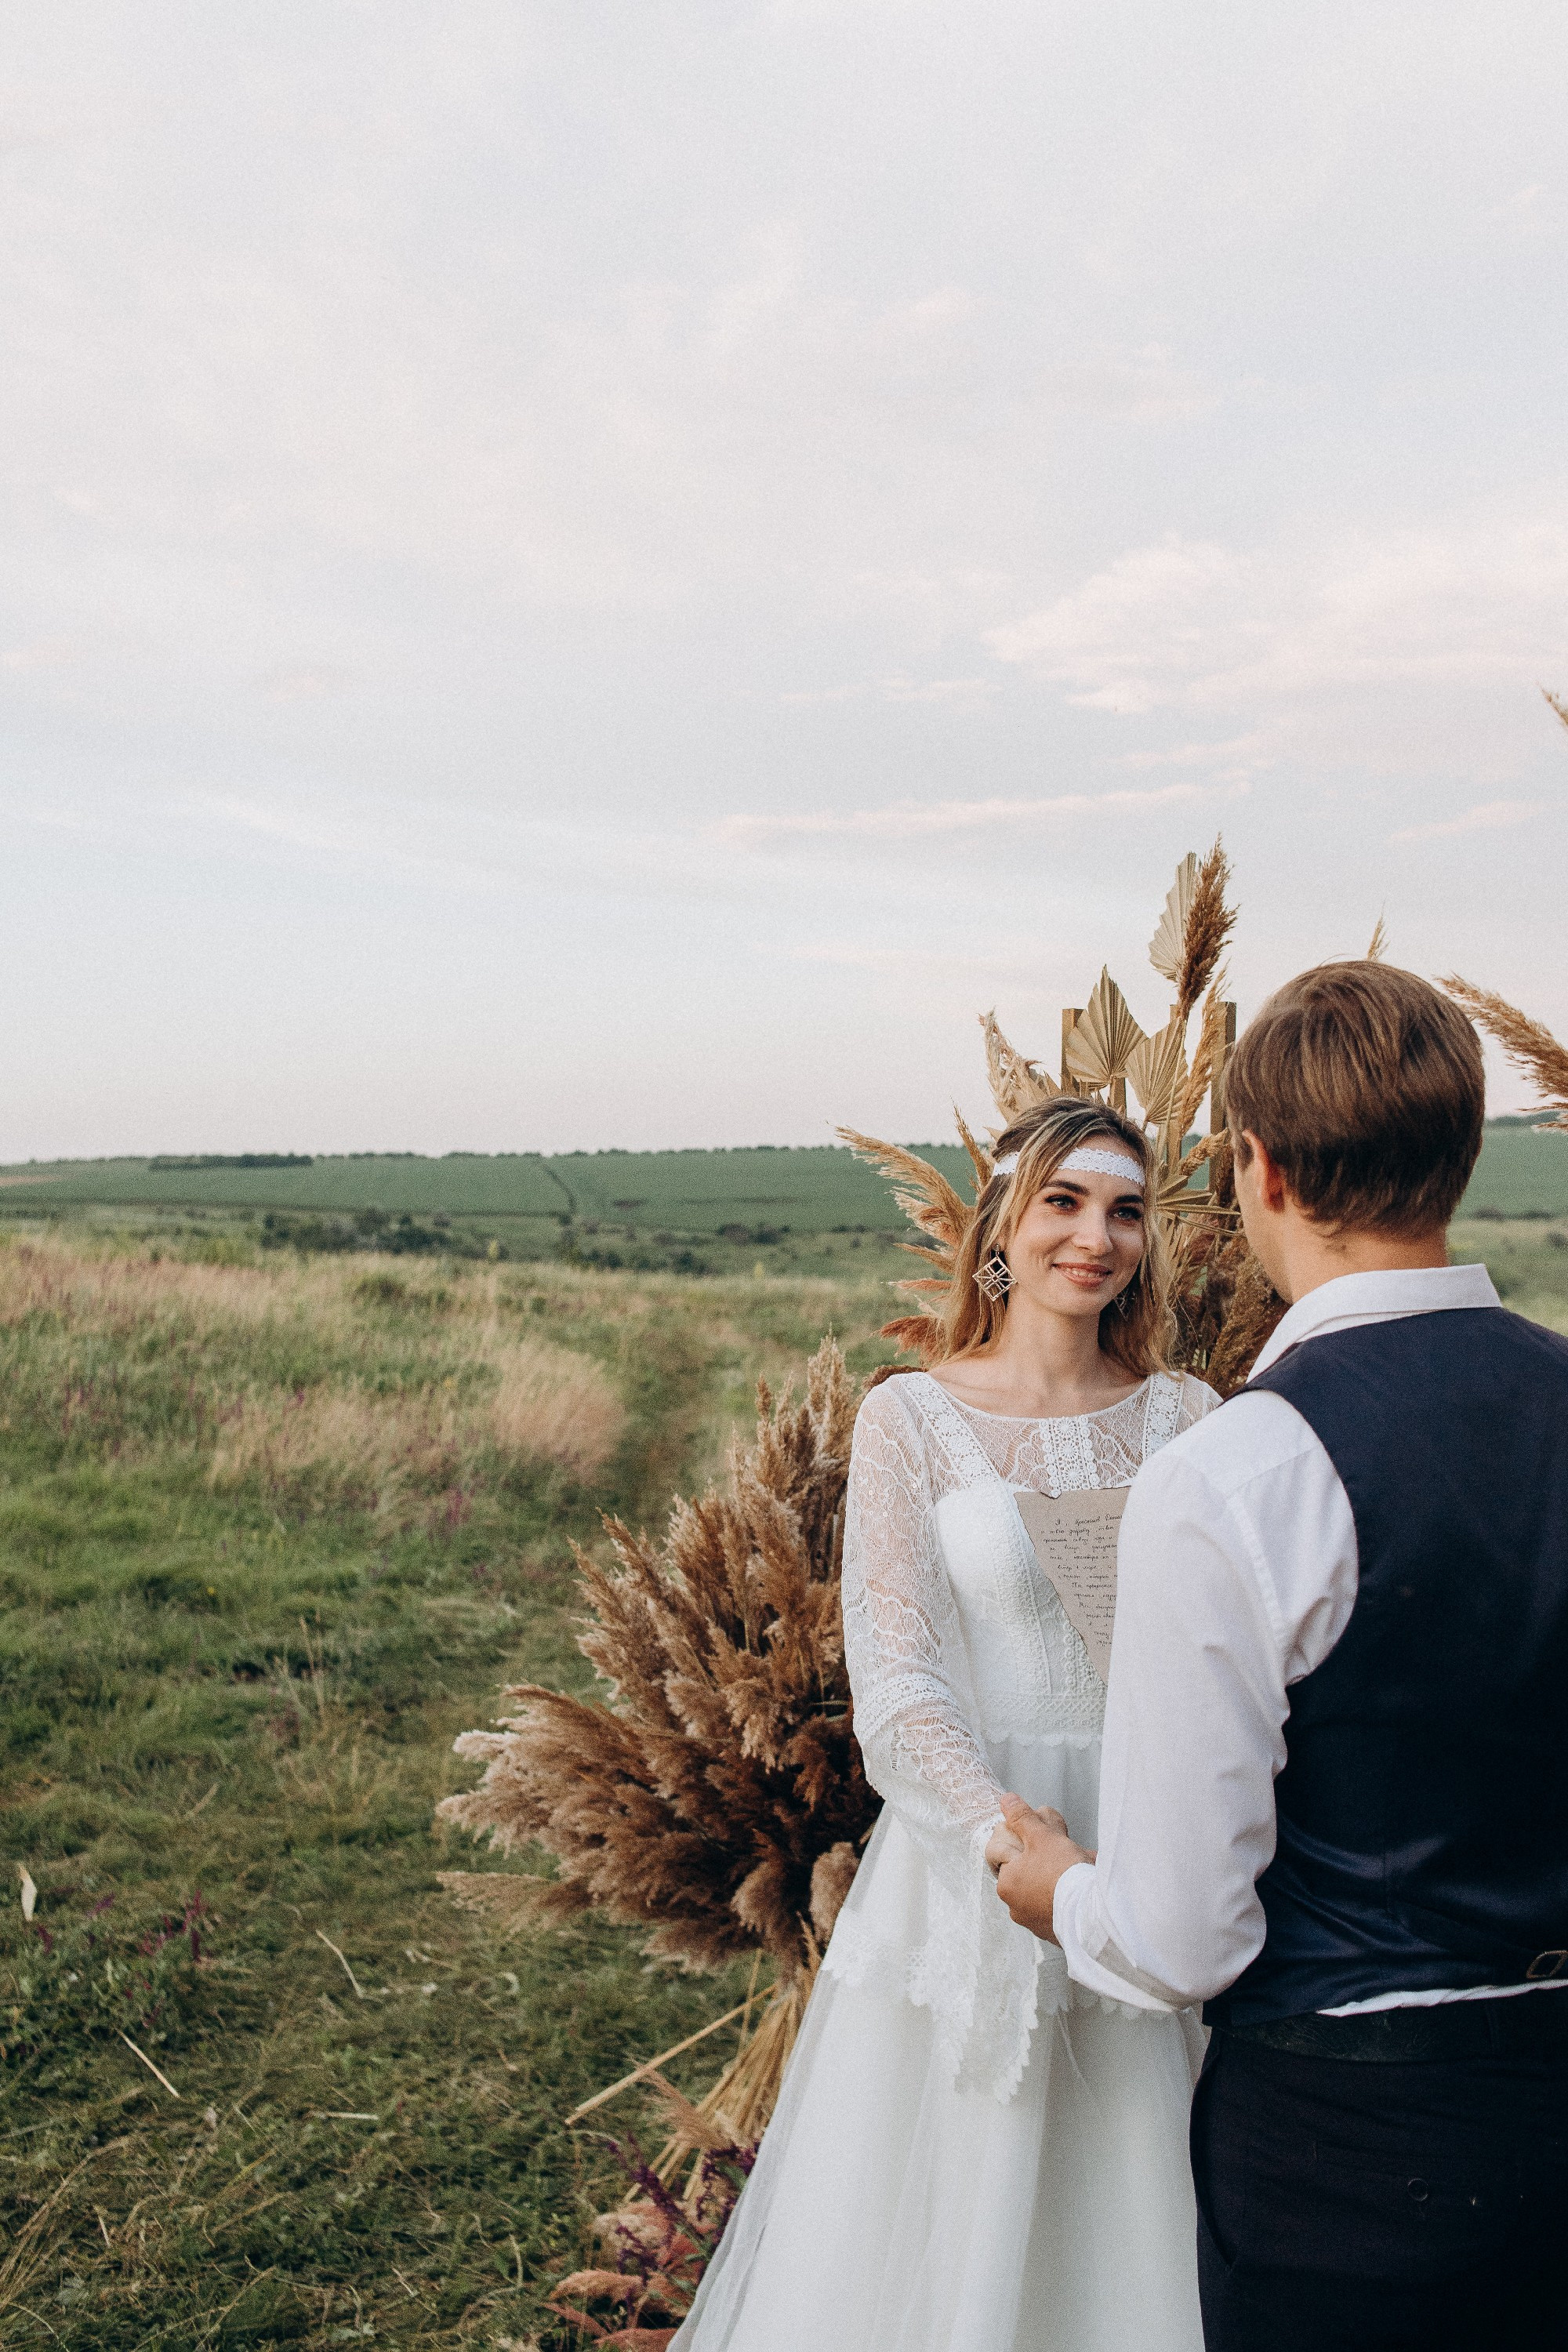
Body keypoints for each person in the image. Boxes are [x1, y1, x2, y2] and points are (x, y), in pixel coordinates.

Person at [993, 961, 1568, 2350]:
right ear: (1460, 1154)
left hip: (1346, 2153)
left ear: (1259, 1169)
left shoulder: (1236, 1472)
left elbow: (1184, 1935)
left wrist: (1063, 1893)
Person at [673, 1094, 1218, 2352]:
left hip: (1149, 1827)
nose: (1096, 1238)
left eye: (1126, 1211)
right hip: (975, 1837)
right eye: (1064, 1203)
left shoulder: (1187, 1415)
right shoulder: (914, 1419)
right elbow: (900, 1673)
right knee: (973, 2181)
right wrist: (1003, 1837)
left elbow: (1221, 1652)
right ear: (1002, 1229)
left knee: (1143, 2174)